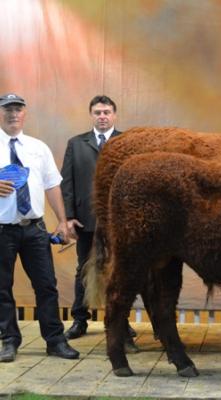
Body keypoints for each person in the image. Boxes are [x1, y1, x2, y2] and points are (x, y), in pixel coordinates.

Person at [0, 93, 79, 362]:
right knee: (1, 287)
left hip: (35, 229)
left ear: (25, 114)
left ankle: (55, 341)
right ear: (1, 113)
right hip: (2, 230)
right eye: (7, 110)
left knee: (46, 285)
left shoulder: (38, 147)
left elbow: (52, 185)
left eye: (17, 110)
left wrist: (61, 220)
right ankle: (9, 341)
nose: (13, 114)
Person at [61, 95, 136, 343]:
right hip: (86, 219)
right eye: (97, 112)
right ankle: (79, 320)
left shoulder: (128, 142)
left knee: (121, 271)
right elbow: (67, 184)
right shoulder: (76, 144)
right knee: (84, 268)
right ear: (91, 115)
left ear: (114, 115)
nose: (102, 116)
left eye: (106, 112)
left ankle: (120, 321)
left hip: (120, 221)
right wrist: (69, 217)